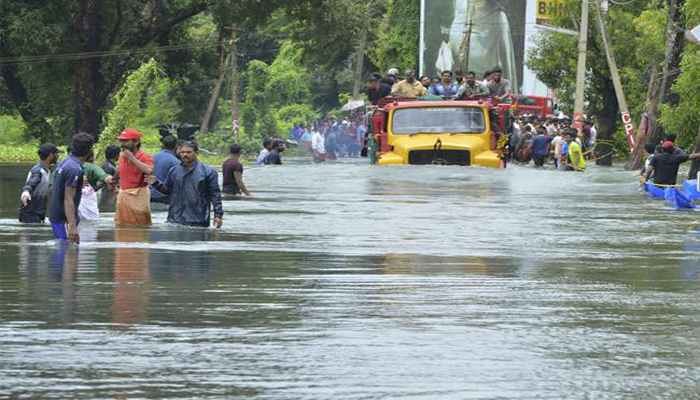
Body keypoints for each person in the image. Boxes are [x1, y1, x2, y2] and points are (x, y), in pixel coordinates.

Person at [147, 142, 223, 228]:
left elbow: (215, 195)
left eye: (188, 152)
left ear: (196, 153)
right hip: (175, 218)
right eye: (182, 152)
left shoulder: (208, 172)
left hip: (198, 219)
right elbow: (168, 191)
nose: (185, 155)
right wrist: (155, 183)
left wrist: (218, 215)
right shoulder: (174, 171)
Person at [49, 133, 94, 244]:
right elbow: (68, 198)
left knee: (63, 253)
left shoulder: (64, 162)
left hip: (57, 216)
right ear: (89, 151)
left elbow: (55, 187)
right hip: (63, 219)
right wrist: (72, 226)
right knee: (69, 252)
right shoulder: (75, 169)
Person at [114, 128, 154, 226]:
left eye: (126, 141)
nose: (122, 144)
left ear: (136, 142)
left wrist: (132, 158)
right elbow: (120, 170)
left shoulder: (145, 156)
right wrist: (113, 181)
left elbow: (149, 170)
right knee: (121, 226)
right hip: (123, 196)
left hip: (138, 197)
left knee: (139, 227)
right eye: (121, 141)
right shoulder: (122, 156)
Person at [19, 143, 63, 223]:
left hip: (37, 215)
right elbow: (31, 183)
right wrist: (26, 191)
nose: (58, 156)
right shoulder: (38, 171)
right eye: (56, 154)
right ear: (51, 155)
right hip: (29, 216)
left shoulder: (47, 170)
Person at [79, 149, 115, 221]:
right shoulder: (92, 167)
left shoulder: (65, 165)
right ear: (91, 158)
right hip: (88, 204)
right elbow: (106, 178)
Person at [150, 135, 180, 205]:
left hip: (149, 194)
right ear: (176, 146)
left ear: (163, 145)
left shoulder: (151, 157)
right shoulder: (175, 161)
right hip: (164, 196)